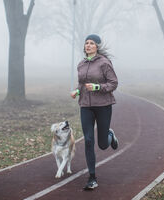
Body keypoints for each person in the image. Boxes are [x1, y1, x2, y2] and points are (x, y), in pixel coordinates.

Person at [71, 34, 119, 190]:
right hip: (85, 106)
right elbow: (81, 84)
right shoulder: (81, 64)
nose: (88, 45)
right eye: (86, 43)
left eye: (91, 43)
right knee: (88, 140)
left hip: (103, 105)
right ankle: (92, 178)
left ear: (97, 46)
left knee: (103, 144)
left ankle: (110, 136)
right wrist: (76, 92)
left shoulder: (104, 63)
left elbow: (113, 83)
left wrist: (98, 87)